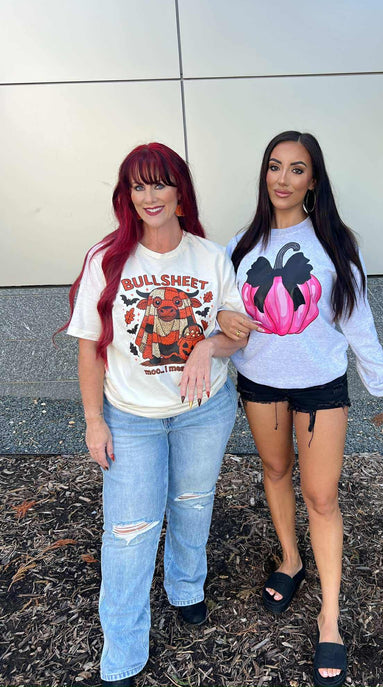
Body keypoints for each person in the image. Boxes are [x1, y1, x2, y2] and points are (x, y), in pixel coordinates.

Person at [218, 131, 383, 686]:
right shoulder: (240, 246)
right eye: (274, 166)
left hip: (320, 388)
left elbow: (357, 319)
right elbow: (222, 312)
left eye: (296, 169)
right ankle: (290, 559)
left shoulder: (334, 244)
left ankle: (330, 617)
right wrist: (221, 321)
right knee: (275, 470)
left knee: (322, 496)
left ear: (313, 180)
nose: (282, 179)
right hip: (260, 384)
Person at [61, 142, 246, 686]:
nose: (150, 196)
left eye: (159, 183)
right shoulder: (106, 259)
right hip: (131, 418)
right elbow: (89, 348)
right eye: (138, 185)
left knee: (192, 504)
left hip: (203, 411)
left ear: (179, 190)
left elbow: (238, 331)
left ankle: (186, 587)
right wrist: (94, 420)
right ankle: (122, 652)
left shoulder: (210, 257)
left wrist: (208, 345)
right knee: (129, 531)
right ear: (127, 195)